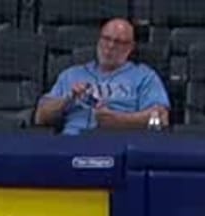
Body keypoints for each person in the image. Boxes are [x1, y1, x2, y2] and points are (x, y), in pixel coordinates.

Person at [35, 18, 168, 135]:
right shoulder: (71, 75)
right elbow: (41, 117)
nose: (110, 46)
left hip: (118, 145)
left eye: (118, 42)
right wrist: (67, 100)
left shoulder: (144, 76)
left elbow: (161, 118)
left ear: (131, 47)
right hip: (72, 142)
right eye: (106, 39)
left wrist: (119, 121)